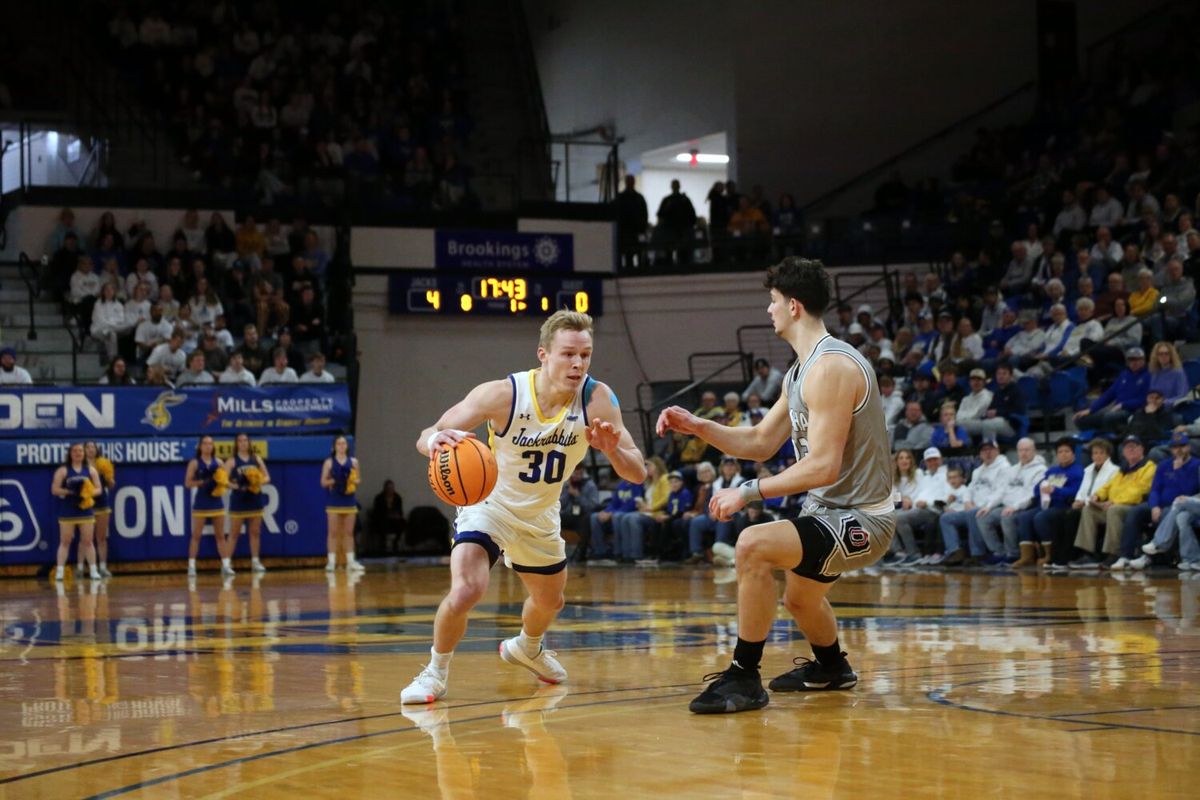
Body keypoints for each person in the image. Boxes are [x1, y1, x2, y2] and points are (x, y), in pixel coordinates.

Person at [656, 258, 894, 714]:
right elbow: (762, 442)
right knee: (800, 599)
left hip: (863, 519)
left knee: (752, 545)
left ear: (794, 305)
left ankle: (744, 676)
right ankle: (832, 668)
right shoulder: (800, 371)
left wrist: (746, 492)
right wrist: (699, 426)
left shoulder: (833, 367)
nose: (769, 311)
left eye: (772, 302)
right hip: (827, 513)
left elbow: (823, 466)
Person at [401, 311, 647, 704]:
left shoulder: (598, 399)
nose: (578, 364)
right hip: (490, 505)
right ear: (543, 355)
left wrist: (612, 447)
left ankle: (527, 648)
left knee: (551, 601)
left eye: (585, 354)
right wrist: (433, 441)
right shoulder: (503, 394)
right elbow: (430, 433)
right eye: (568, 354)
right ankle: (434, 672)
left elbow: (637, 473)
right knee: (468, 588)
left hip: (542, 514)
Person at [1070, 435, 1155, 569]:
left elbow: (1139, 491)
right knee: (1089, 510)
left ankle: (1113, 553)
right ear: (1123, 452)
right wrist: (1097, 496)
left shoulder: (1149, 467)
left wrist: (1113, 501)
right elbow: (1108, 486)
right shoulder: (1123, 469)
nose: (1130, 450)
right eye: (1127, 447)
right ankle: (1089, 554)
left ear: (1141, 450)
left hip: (1135, 508)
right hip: (1115, 505)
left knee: (1113, 510)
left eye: (1134, 447)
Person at [1042, 439, 1119, 570]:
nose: (1098, 456)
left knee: (1072, 516)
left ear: (1108, 455)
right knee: (1058, 516)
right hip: (1086, 504)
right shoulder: (1088, 469)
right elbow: (1082, 490)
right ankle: (1055, 556)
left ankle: (1067, 557)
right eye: (1095, 453)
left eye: (1101, 453)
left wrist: (1085, 501)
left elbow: (1107, 493)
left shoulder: (1115, 470)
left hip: (1101, 506)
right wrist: (1077, 500)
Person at [51, 443, 102, 582]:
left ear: (84, 453)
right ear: (70, 454)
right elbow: (54, 489)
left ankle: (93, 570)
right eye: (75, 451)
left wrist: (87, 492)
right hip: (68, 510)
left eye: (80, 450)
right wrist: (70, 492)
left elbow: (99, 489)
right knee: (65, 541)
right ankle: (60, 571)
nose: (78, 453)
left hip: (85, 510)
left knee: (88, 541)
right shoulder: (63, 470)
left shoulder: (90, 470)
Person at [225, 432, 271, 576]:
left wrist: (257, 482)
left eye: (246, 440)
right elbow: (222, 480)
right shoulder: (232, 461)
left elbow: (267, 477)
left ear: (249, 443)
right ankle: (226, 563)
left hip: (254, 499)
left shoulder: (256, 459)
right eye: (240, 441)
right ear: (236, 444)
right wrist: (235, 486)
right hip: (239, 500)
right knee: (234, 533)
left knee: (255, 532)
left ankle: (255, 561)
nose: (243, 443)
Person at [185, 435, 229, 576]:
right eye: (205, 443)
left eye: (210, 444)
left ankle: (226, 565)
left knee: (220, 536)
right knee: (196, 536)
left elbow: (226, 482)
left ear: (213, 446)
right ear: (200, 446)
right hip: (201, 503)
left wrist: (223, 484)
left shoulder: (220, 462)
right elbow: (187, 483)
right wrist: (201, 482)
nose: (208, 446)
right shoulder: (194, 463)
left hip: (216, 502)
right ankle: (191, 566)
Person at [322, 435, 364, 572]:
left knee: (349, 533)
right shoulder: (329, 462)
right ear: (334, 446)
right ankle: (331, 562)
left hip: (349, 500)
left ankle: (351, 561)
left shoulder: (354, 462)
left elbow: (358, 480)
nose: (341, 446)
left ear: (347, 446)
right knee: (332, 532)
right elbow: (323, 482)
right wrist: (334, 481)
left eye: (343, 443)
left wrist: (351, 481)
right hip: (334, 501)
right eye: (339, 443)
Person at [559, 467, 599, 561]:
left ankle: (581, 555)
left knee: (586, 521)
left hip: (582, 516)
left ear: (583, 473)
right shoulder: (566, 484)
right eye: (574, 474)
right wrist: (568, 494)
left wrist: (578, 496)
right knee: (553, 519)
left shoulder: (590, 486)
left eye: (579, 474)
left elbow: (593, 506)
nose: (576, 476)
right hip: (568, 514)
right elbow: (559, 504)